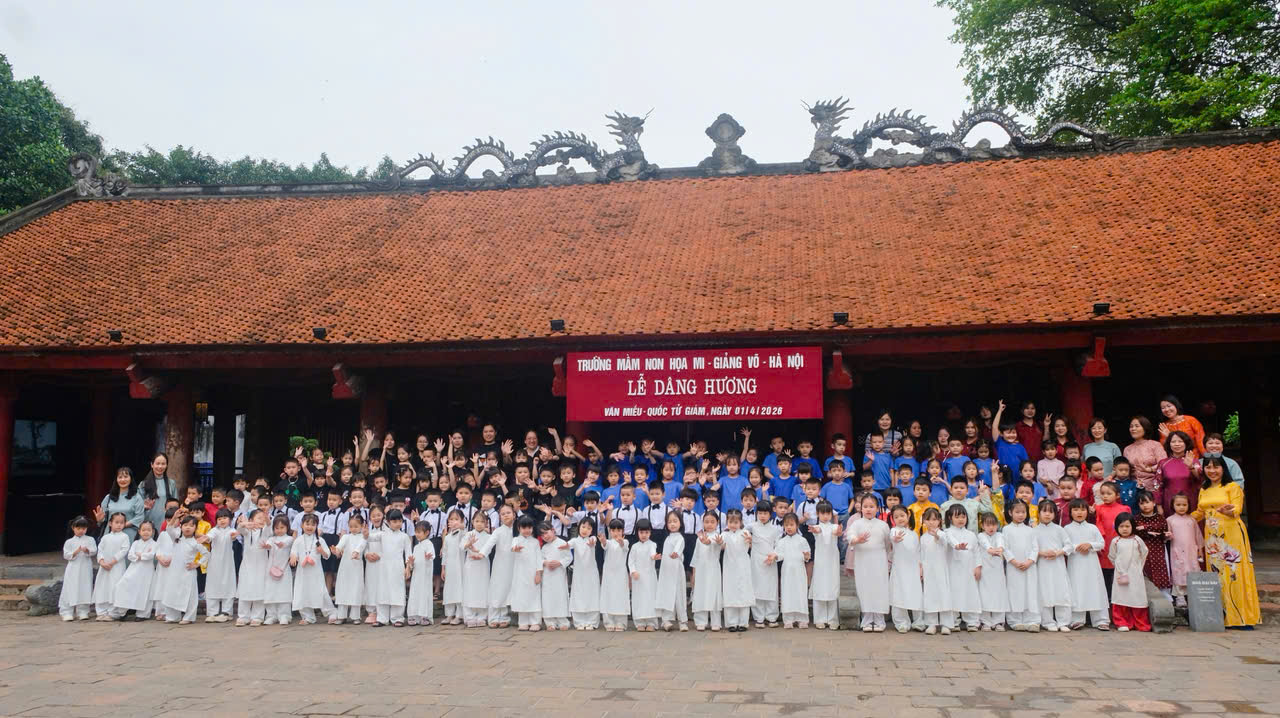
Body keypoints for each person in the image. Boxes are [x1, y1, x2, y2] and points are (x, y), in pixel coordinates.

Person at [1192, 457, 1260, 628]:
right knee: (1218, 575)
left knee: (1235, 573)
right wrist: (1178, 519)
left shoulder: (1232, 487)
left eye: (1216, 467)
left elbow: (1237, 509)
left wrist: (1227, 511)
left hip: (1231, 534)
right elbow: (1200, 512)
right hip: (1212, 538)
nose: (1212, 471)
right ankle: (1222, 617)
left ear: (1223, 469)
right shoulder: (1204, 489)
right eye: (1208, 467)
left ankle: (1242, 618)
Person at [845, 493, 891, 632]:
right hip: (862, 560)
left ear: (877, 508)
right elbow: (850, 536)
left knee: (879, 588)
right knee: (864, 587)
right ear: (861, 508)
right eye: (865, 506)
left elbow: (888, 543)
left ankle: (879, 620)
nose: (868, 509)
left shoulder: (883, 525)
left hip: (879, 560)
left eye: (871, 506)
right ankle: (867, 620)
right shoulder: (857, 523)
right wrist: (857, 540)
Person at [1063, 499, 1109, 630]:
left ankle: (1101, 619)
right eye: (1076, 510)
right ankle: (1077, 619)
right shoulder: (1066, 529)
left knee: (1096, 588)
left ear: (1087, 512)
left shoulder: (1092, 528)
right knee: (1077, 588)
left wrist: (1090, 545)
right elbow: (1065, 546)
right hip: (1075, 563)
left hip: (1092, 564)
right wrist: (1077, 547)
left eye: (1083, 509)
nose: (1079, 512)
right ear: (1070, 512)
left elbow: (1101, 543)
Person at [1107, 513, 1151, 632]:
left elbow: (1144, 553)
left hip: (1135, 573)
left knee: (1137, 596)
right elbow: (1112, 556)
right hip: (1120, 574)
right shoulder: (1115, 541)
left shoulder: (1137, 540)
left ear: (1133, 526)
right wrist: (1120, 569)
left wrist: (1138, 567)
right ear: (1117, 527)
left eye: (1127, 526)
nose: (1124, 529)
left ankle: (1140, 623)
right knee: (1121, 597)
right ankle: (1121, 622)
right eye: (1121, 526)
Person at [1033, 501, 1072, 632]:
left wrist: (1057, 553)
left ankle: (1063, 622)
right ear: (1039, 513)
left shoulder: (1059, 529)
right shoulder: (1034, 531)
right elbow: (1030, 549)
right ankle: (1048, 621)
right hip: (1042, 565)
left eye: (1051, 512)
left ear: (1055, 514)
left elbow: (1069, 546)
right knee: (1044, 592)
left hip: (1058, 565)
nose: (1047, 514)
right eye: (1044, 511)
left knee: (1061, 591)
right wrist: (1041, 553)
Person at [942, 504, 981, 633]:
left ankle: (972, 622)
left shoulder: (971, 534)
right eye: (957, 517)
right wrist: (957, 546)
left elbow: (976, 552)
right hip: (953, 569)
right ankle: (953, 621)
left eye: (963, 517)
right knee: (954, 594)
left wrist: (978, 567)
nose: (960, 519)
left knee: (970, 593)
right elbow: (951, 541)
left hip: (968, 569)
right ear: (950, 518)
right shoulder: (947, 532)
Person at [290, 513, 335, 625]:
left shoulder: (320, 540)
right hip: (303, 572)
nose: (309, 527)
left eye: (313, 525)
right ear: (302, 525)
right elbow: (294, 551)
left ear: (316, 526)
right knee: (303, 592)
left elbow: (327, 555)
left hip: (315, 571)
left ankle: (332, 613)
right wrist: (294, 556)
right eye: (307, 524)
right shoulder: (298, 540)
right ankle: (308, 616)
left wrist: (321, 551)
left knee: (320, 591)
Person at [1002, 500, 1040, 632]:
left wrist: (1029, 561)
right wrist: (1014, 561)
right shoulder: (1006, 529)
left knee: (1030, 590)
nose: (1020, 515)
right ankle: (1015, 620)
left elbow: (1035, 548)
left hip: (1029, 566)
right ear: (1010, 513)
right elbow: (1005, 548)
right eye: (1017, 512)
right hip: (1014, 566)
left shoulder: (1030, 530)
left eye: (1023, 512)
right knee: (1015, 591)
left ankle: (1033, 620)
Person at [886, 505, 923, 633]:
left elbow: (918, 552)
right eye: (896, 517)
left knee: (915, 594)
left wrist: (920, 567)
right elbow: (893, 538)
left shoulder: (914, 534)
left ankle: (919, 621)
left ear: (908, 515)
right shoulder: (894, 531)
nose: (900, 518)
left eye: (902, 515)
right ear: (892, 519)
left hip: (913, 569)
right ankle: (901, 622)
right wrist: (895, 539)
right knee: (898, 594)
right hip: (899, 569)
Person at [110, 520, 157, 620]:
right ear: (139, 531)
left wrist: (140, 555)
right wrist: (140, 556)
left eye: (149, 530)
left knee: (144, 590)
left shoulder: (154, 544)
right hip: (133, 569)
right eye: (143, 530)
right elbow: (130, 555)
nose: (146, 532)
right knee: (123, 585)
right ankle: (122, 611)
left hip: (147, 571)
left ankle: (142, 614)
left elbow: (151, 555)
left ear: (152, 531)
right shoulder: (135, 543)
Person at [1166, 493, 1203, 609]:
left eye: (1184, 505)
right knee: (1178, 571)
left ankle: (1193, 594)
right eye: (1178, 505)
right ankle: (1180, 596)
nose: (1181, 507)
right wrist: (1168, 536)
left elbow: (1198, 536)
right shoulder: (1170, 520)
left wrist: (1200, 550)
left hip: (1191, 550)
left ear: (1188, 505)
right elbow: (1166, 536)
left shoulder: (1192, 520)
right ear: (1173, 505)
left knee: (1192, 569)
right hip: (1177, 551)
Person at [200, 509, 238, 622]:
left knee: (228, 584)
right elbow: (210, 536)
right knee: (213, 584)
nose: (222, 521)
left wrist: (234, 536)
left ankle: (227, 612)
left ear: (230, 519)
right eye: (219, 519)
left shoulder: (232, 530)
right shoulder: (214, 530)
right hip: (214, 562)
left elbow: (234, 536)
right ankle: (212, 612)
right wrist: (206, 538)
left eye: (225, 518)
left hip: (228, 562)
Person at [1133, 490, 1172, 598]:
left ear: (1154, 503)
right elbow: (1135, 531)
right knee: (1145, 570)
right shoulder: (1136, 518)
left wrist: (1145, 528)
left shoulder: (1160, 518)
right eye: (1142, 503)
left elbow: (1162, 530)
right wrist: (1148, 531)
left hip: (1158, 549)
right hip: (1142, 550)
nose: (1145, 505)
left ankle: (1164, 596)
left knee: (1161, 570)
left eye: (1147, 502)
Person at [719, 511, 754, 633]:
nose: (733, 525)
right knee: (730, 592)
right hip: (729, 566)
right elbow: (721, 546)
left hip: (743, 565)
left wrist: (750, 541)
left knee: (743, 591)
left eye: (736, 522)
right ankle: (731, 623)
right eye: (731, 522)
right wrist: (719, 543)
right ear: (727, 522)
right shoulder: (724, 534)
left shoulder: (745, 533)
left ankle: (743, 622)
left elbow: (750, 546)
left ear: (740, 522)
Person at [809, 501, 842, 630]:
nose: (825, 516)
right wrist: (816, 530)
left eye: (828, 513)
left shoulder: (834, 526)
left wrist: (839, 532)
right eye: (822, 513)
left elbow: (837, 533)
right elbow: (817, 531)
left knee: (832, 587)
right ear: (818, 514)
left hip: (832, 561)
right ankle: (820, 619)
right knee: (820, 587)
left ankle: (833, 619)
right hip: (821, 562)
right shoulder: (816, 527)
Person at [917, 507, 950, 635]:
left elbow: (944, 543)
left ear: (940, 521)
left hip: (941, 568)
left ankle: (946, 624)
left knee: (944, 594)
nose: (931, 522)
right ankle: (931, 623)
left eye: (935, 519)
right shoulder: (923, 537)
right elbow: (921, 555)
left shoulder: (943, 534)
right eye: (928, 519)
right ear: (924, 521)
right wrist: (921, 569)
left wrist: (937, 536)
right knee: (930, 594)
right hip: (928, 569)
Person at [974, 512, 1009, 631]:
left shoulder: (999, 535)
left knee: (999, 594)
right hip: (985, 571)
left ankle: (998, 622)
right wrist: (990, 549)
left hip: (997, 571)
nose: (991, 528)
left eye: (993, 524)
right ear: (982, 526)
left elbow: (1001, 544)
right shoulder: (980, 536)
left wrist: (999, 549)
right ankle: (986, 622)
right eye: (988, 525)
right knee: (984, 594)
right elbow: (985, 544)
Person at [92, 512, 130, 620]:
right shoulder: (105, 537)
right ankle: (101, 612)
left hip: (117, 566)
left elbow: (124, 550)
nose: (119, 525)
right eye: (116, 522)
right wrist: (102, 562)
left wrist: (112, 562)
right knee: (102, 587)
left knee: (114, 587)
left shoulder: (124, 537)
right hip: (104, 567)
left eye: (121, 523)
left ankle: (113, 612)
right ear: (110, 523)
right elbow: (100, 550)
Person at [748, 502, 780, 628]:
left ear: (770, 514)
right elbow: (741, 535)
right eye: (760, 513)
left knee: (771, 588)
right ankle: (759, 617)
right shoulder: (751, 527)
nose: (762, 516)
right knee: (757, 588)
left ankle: (772, 617)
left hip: (770, 560)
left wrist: (774, 555)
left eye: (765, 513)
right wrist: (749, 541)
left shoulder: (776, 529)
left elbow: (779, 545)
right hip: (756, 561)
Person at [509, 515, 544, 631]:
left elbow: (539, 558)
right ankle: (523, 622)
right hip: (520, 573)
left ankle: (535, 622)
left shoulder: (535, 542)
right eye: (524, 528)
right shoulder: (516, 540)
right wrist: (515, 549)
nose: (527, 530)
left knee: (534, 597)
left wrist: (538, 573)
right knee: (521, 596)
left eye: (529, 527)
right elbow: (513, 547)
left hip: (533, 573)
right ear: (519, 528)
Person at [691, 513, 724, 632]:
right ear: (703, 523)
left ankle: (716, 622)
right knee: (701, 593)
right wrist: (694, 572)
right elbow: (696, 556)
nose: (709, 524)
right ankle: (701, 621)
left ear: (717, 523)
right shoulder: (699, 538)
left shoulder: (718, 537)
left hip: (713, 569)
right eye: (706, 522)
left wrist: (711, 542)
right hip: (701, 569)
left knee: (714, 593)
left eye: (712, 522)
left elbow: (718, 544)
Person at [775, 513, 810, 629]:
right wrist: (774, 556)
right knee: (787, 593)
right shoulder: (781, 541)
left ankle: (802, 618)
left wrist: (806, 556)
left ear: (797, 525)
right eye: (786, 525)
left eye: (791, 525)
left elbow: (807, 555)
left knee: (800, 592)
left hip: (799, 571)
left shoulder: (802, 540)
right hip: (787, 571)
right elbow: (779, 555)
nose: (789, 527)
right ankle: (788, 619)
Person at [655, 511, 688, 632]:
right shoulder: (667, 538)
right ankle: (666, 620)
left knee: (679, 594)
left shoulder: (680, 538)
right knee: (666, 593)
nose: (672, 524)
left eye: (675, 521)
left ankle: (682, 621)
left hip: (676, 569)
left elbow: (678, 549)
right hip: (666, 570)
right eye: (669, 522)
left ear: (680, 523)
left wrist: (676, 553)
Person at [331, 514, 367, 625]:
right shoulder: (346, 537)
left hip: (356, 567)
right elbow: (340, 546)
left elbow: (361, 546)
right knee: (343, 588)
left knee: (355, 589)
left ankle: (355, 616)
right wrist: (336, 550)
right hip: (345, 567)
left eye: (356, 526)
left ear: (362, 526)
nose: (353, 529)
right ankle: (341, 616)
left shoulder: (364, 537)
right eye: (351, 526)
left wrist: (356, 552)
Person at [59, 516, 96, 621]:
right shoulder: (69, 542)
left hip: (85, 567)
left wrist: (87, 550)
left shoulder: (90, 539)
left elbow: (94, 551)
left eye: (83, 528)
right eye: (78, 528)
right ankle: (67, 612)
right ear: (73, 528)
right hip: (73, 568)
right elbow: (66, 555)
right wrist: (76, 552)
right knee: (70, 587)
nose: (81, 531)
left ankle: (83, 611)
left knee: (85, 587)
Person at [235, 510, 268, 626]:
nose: (262, 520)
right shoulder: (247, 531)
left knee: (259, 590)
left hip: (261, 565)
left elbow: (269, 526)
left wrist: (267, 520)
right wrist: (244, 524)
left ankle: (257, 617)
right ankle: (243, 616)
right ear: (251, 520)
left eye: (263, 518)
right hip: (247, 565)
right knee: (245, 589)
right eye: (259, 518)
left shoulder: (265, 531)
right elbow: (239, 529)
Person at [486, 505, 516, 628]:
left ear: (514, 514)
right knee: (497, 588)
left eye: (508, 512)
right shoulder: (498, 531)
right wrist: (481, 554)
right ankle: (493, 617)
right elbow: (489, 544)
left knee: (507, 589)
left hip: (513, 564)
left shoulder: (518, 530)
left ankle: (504, 616)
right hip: (500, 564)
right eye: (503, 514)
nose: (506, 515)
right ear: (500, 517)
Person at [96, 468, 145, 544]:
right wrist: (100, 519)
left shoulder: (137, 497)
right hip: (110, 535)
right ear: (116, 479)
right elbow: (103, 519)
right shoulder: (108, 498)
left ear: (131, 479)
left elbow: (140, 517)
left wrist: (122, 525)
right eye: (120, 477)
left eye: (126, 477)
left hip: (129, 536)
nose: (123, 480)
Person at [539, 521, 573, 631]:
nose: (545, 536)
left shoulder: (562, 543)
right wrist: (545, 563)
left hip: (559, 575)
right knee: (548, 597)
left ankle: (563, 621)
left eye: (546, 532)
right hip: (547, 576)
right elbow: (540, 559)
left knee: (560, 596)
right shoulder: (544, 547)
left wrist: (560, 563)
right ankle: (550, 622)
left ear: (553, 530)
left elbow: (569, 557)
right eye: (542, 535)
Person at [1157, 431, 1201, 516]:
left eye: (1180, 441)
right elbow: (1157, 486)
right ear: (1169, 444)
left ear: (1186, 443)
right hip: (1169, 502)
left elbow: (1201, 479)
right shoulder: (1163, 463)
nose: (1177, 444)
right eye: (1173, 442)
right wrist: (1158, 505)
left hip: (1190, 501)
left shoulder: (1194, 461)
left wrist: (1191, 467)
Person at [1123, 416, 1167, 498]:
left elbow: (1163, 464)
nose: (1133, 429)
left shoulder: (1155, 445)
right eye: (1131, 426)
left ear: (1145, 428)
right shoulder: (1127, 449)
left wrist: (1150, 469)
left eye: (1137, 426)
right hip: (1134, 489)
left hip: (1154, 488)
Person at [262, 516, 295, 625]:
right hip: (271, 569)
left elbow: (286, 544)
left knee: (283, 592)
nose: (279, 530)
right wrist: (266, 546)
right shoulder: (272, 539)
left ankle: (284, 615)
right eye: (277, 528)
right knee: (270, 592)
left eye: (282, 527)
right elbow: (269, 545)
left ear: (287, 527)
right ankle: (271, 615)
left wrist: (282, 544)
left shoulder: (289, 538)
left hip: (284, 569)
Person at [569, 518, 601, 630]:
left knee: (592, 594)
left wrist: (592, 543)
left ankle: (592, 622)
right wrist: (563, 546)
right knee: (578, 594)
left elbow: (593, 541)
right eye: (583, 527)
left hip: (591, 573)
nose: (585, 530)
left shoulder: (592, 539)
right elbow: (568, 544)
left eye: (588, 528)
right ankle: (579, 622)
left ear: (592, 530)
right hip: (578, 573)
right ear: (579, 527)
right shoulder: (575, 541)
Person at [599, 518, 631, 632]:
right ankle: (609, 622)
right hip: (608, 573)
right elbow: (604, 545)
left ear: (623, 531)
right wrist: (603, 540)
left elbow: (623, 545)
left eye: (618, 530)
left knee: (620, 596)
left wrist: (620, 541)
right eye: (613, 530)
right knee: (608, 595)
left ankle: (620, 622)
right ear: (610, 531)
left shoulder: (625, 542)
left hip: (620, 574)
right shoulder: (609, 542)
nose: (616, 533)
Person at [439, 509, 466, 625]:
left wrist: (461, 527)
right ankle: (449, 614)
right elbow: (445, 553)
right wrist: (443, 568)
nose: (454, 522)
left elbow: (465, 534)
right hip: (449, 567)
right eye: (451, 519)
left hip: (459, 566)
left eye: (456, 519)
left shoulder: (463, 534)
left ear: (462, 521)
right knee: (449, 590)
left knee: (459, 589)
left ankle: (459, 615)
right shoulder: (447, 537)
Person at [139, 453, 176, 532]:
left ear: (166, 465)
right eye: (157, 463)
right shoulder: (143, 484)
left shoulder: (171, 483)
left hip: (167, 522)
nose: (160, 466)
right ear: (152, 465)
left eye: (163, 464)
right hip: (149, 523)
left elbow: (175, 504)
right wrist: (144, 506)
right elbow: (137, 506)